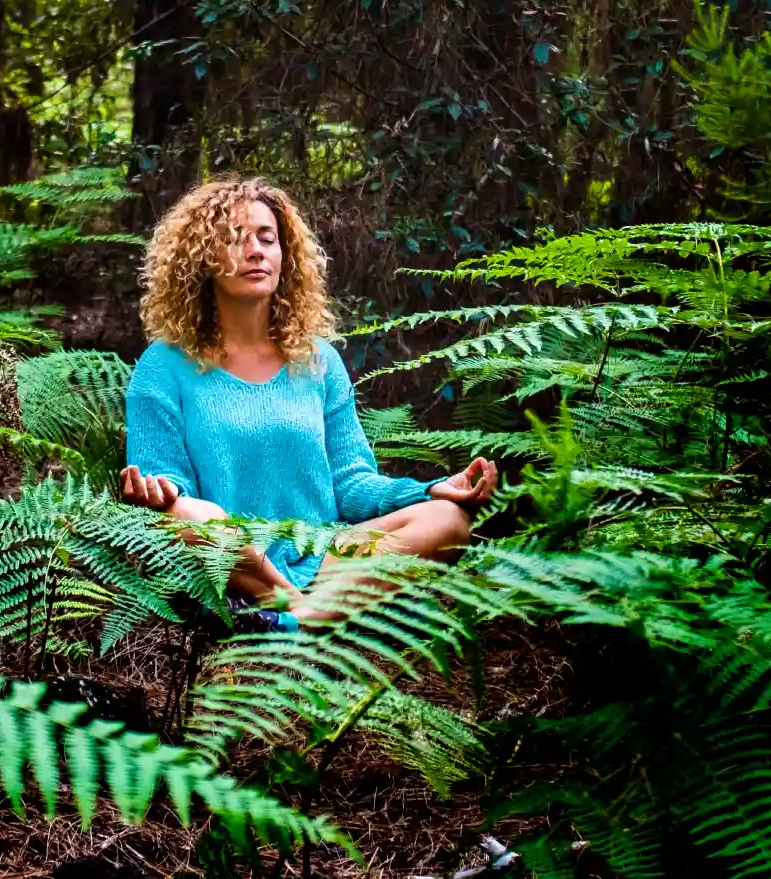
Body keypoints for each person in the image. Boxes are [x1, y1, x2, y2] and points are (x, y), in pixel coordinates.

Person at [115, 178, 499, 621]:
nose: (256, 250)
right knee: (184, 516)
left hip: (322, 555)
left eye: (267, 238)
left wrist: (427, 489)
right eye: (235, 239)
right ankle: (308, 614)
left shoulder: (319, 362)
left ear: (285, 257)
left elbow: (351, 483)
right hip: (228, 566)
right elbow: (166, 483)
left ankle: (294, 621)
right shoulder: (163, 366)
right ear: (202, 258)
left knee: (447, 521)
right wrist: (158, 491)